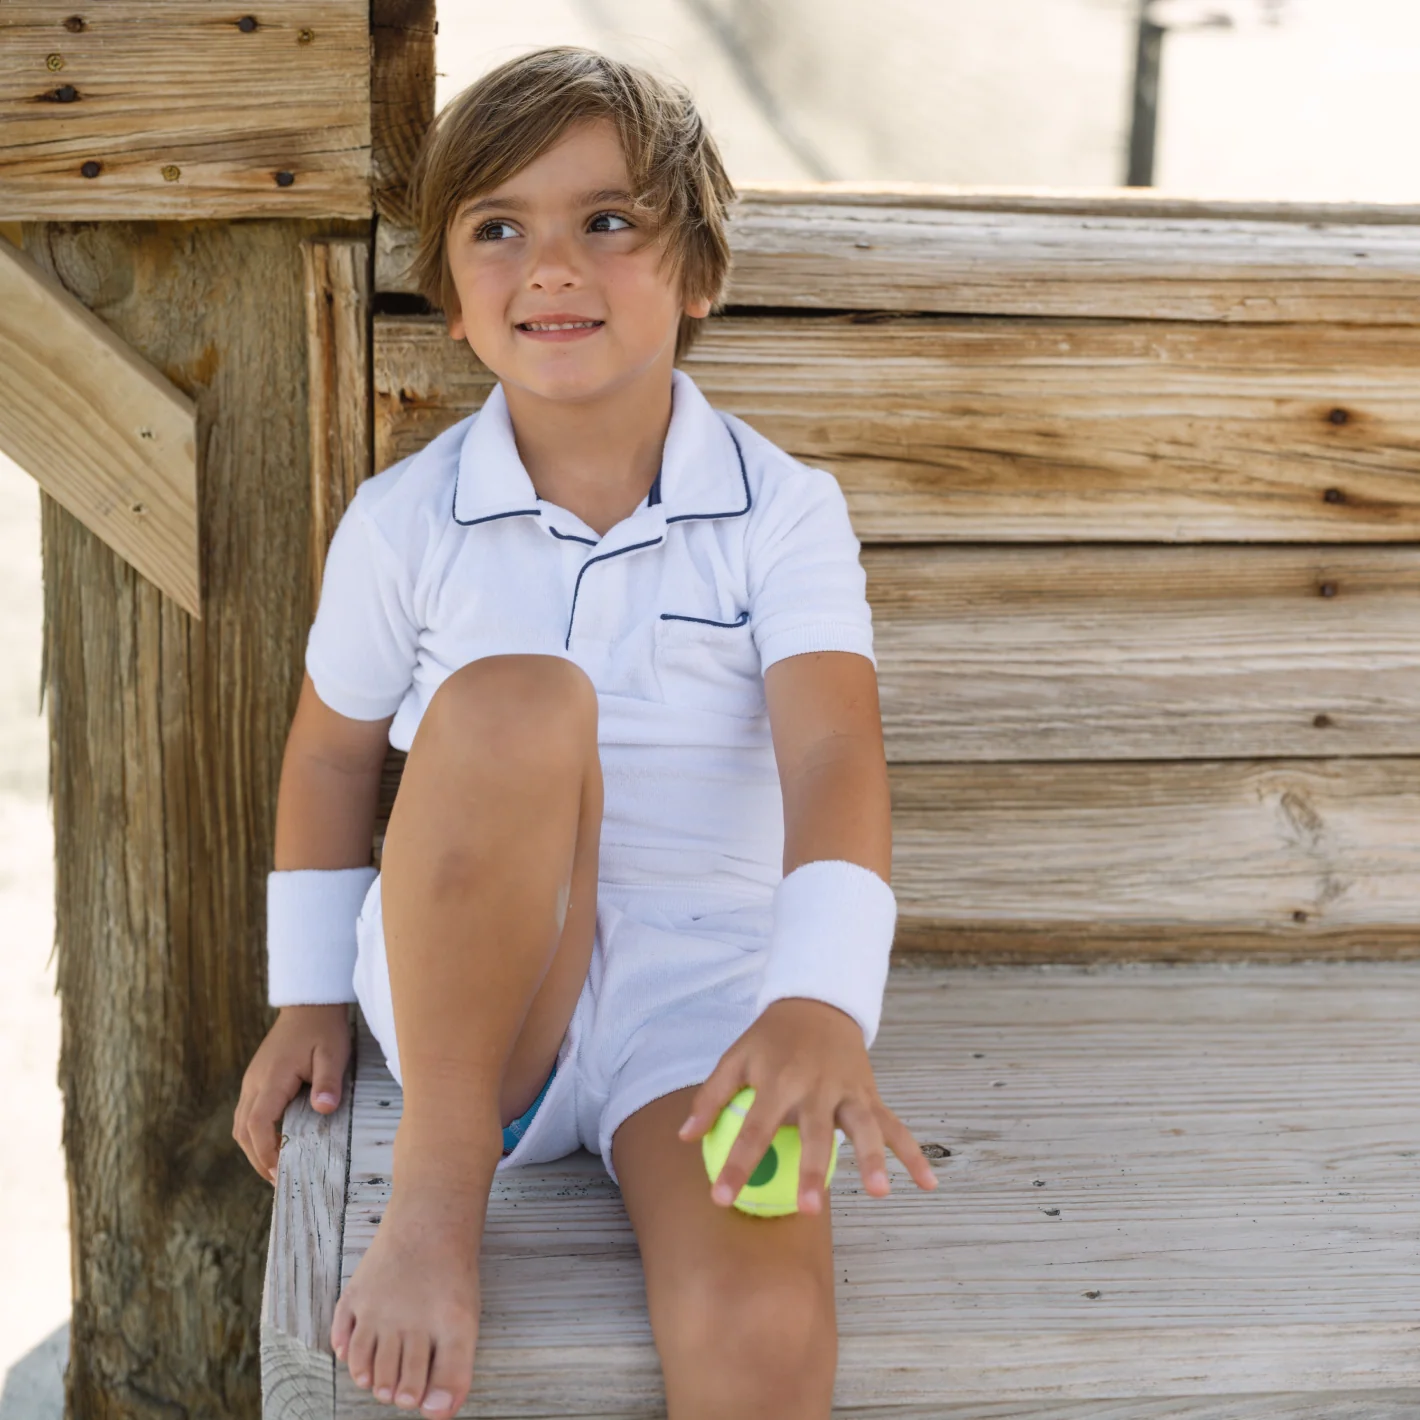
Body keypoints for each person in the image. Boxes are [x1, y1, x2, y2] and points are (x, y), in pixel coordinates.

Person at [233, 45, 938, 1420]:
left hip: (712, 1015)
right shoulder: (408, 519)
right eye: (500, 227)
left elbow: (833, 756)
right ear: (450, 293)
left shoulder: (782, 511)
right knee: (516, 696)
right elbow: (331, 753)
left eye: (608, 221)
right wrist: (308, 994)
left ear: (699, 272)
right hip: (471, 1022)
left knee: (764, 1317)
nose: (552, 265)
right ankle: (439, 1210)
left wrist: (816, 1004)